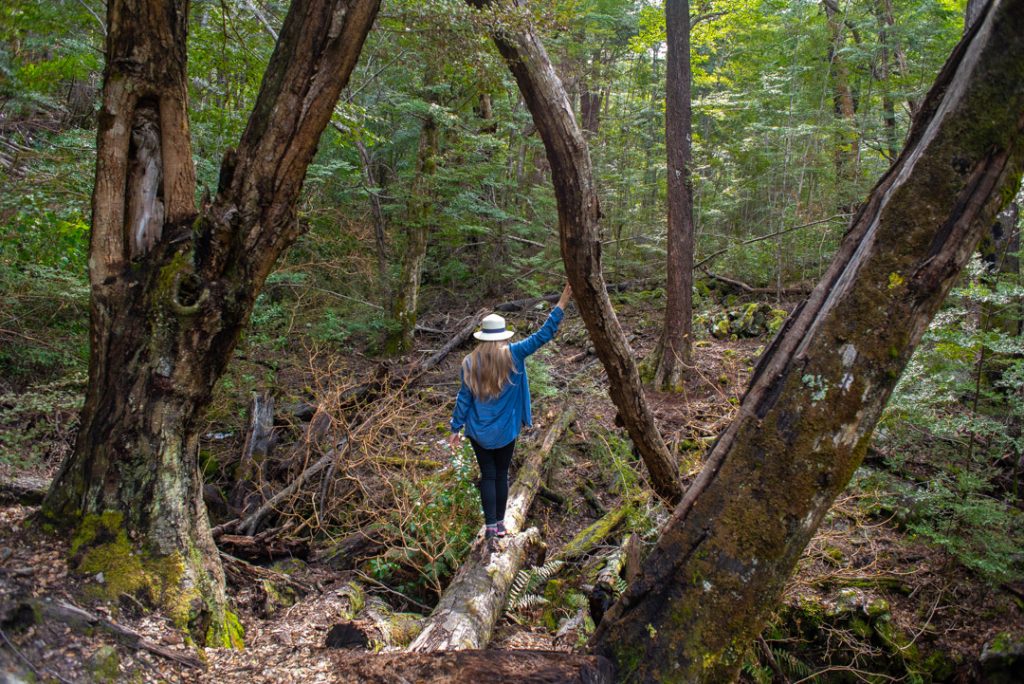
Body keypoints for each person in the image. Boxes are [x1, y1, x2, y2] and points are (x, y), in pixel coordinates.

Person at [448, 283, 573, 539]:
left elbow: (464, 398)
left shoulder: (470, 362)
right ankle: (501, 525)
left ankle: (491, 526)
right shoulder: (514, 354)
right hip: (506, 429)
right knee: (502, 475)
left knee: (488, 475)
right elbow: (544, 333)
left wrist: (455, 428)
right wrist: (562, 302)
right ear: (503, 336)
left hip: (478, 431)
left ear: (483, 337)